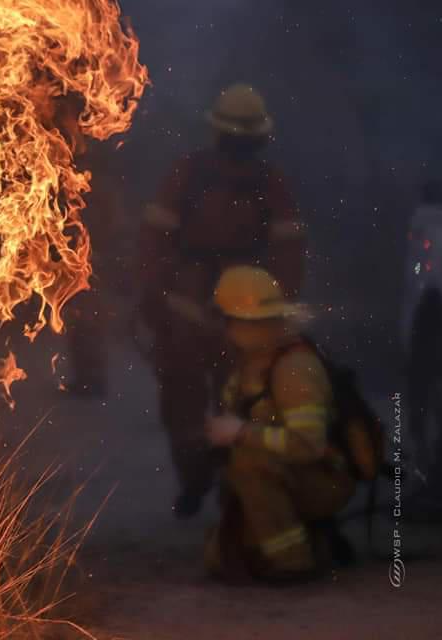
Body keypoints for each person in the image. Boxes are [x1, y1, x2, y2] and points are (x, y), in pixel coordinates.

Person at [136, 84, 307, 517]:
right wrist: (157, 300)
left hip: (223, 310)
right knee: (196, 401)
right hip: (208, 310)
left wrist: (277, 310)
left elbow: (288, 253)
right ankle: (203, 483)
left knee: (233, 403)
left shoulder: (253, 181)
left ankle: (228, 489)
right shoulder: (202, 176)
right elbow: (155, 244)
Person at [203, 266, 355, 583]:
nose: (223, 329)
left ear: (244, 323)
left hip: (324, 478)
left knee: (247, 463)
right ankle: (314, 539)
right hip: (289, 472)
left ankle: (292, 563)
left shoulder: (294, 369)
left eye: (227, 320)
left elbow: (308, 445)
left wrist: (241, 433)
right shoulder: (254, 361)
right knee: (220, 559)